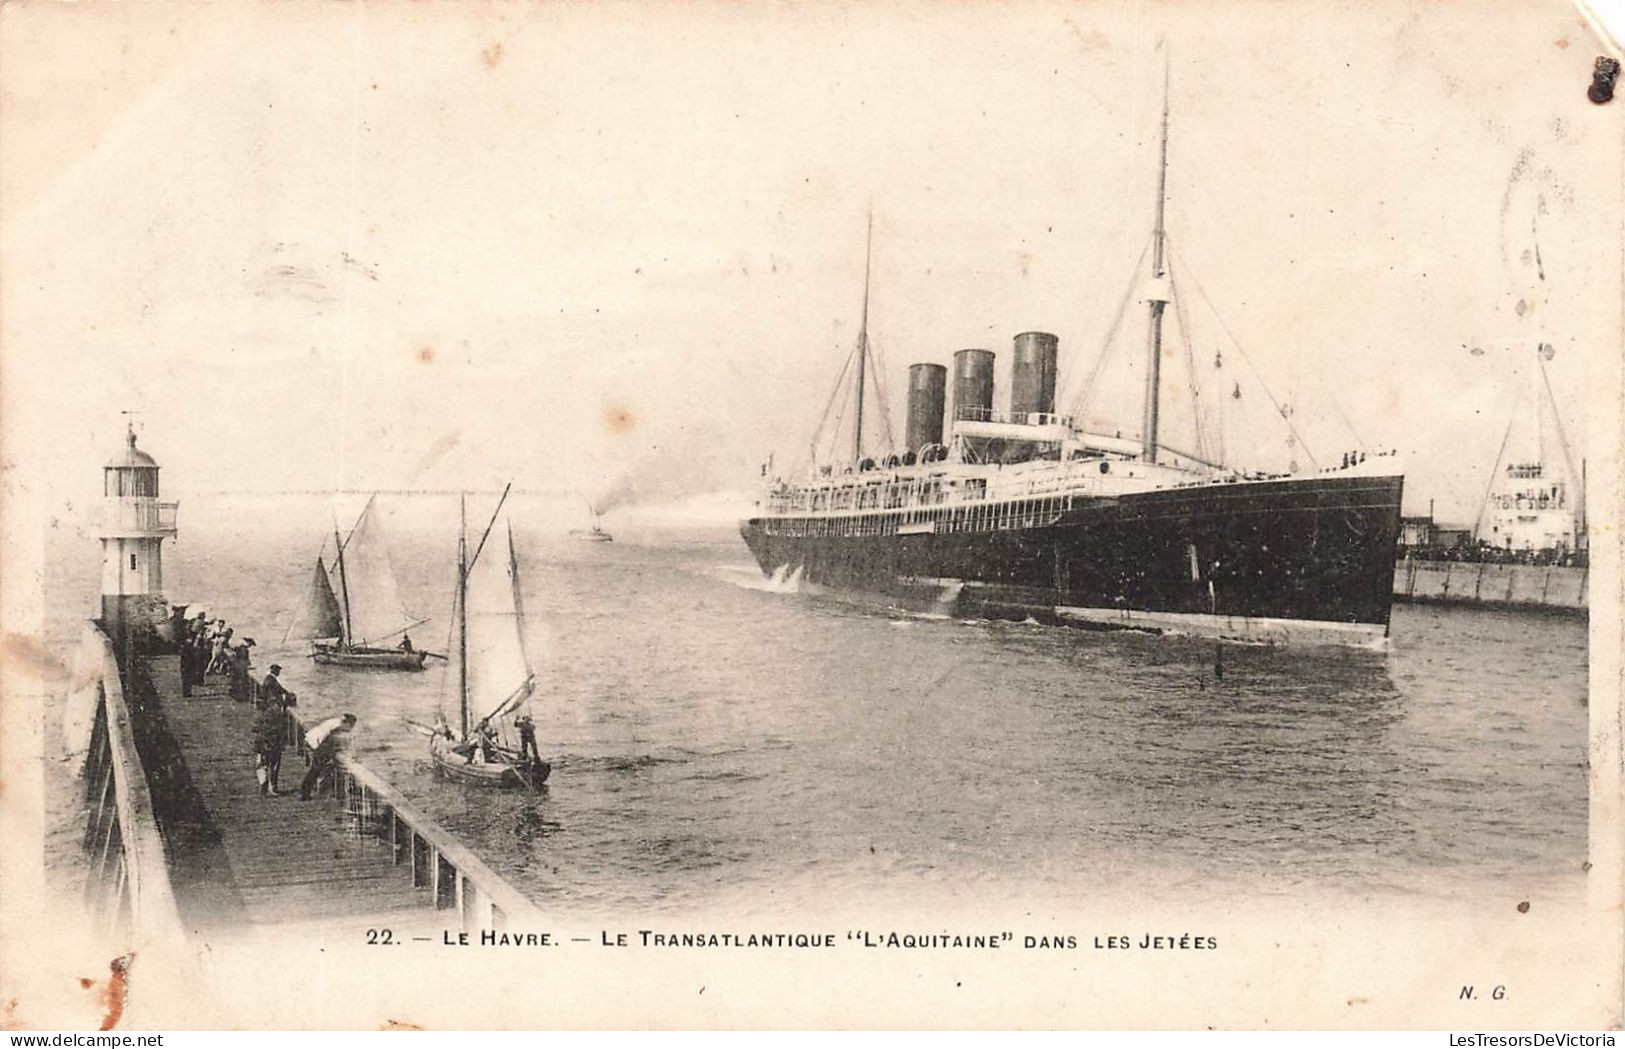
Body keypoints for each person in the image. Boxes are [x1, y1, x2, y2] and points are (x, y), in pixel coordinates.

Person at [299, 713, 356, 800]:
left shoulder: (337, 722)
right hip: (316, 744)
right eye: (352, 725)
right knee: (316, 770)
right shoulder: (337, 726)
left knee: (319, 769)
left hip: (315, 741)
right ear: (347, 723)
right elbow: (325, 737)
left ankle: (314, 791)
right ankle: (305, 793)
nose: (352, 728)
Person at [252, 693, 289, 796]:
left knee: (261, 764)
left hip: (263, 742)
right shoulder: (282, 714)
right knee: (274, 766)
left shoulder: (266, 712)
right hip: (274, 743)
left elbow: (255, 727)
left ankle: (263, 781)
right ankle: (273, 787)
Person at [228, 638, 256, 702]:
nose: (250, 646)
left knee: (237, 680)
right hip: (241, 667)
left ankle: (235, 695)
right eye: (250, 644)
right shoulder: (244, 650)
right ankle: (240, 697)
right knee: (241, 681)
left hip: (237, 666)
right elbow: (244, 660)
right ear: (248, 643)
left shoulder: (240, 648)